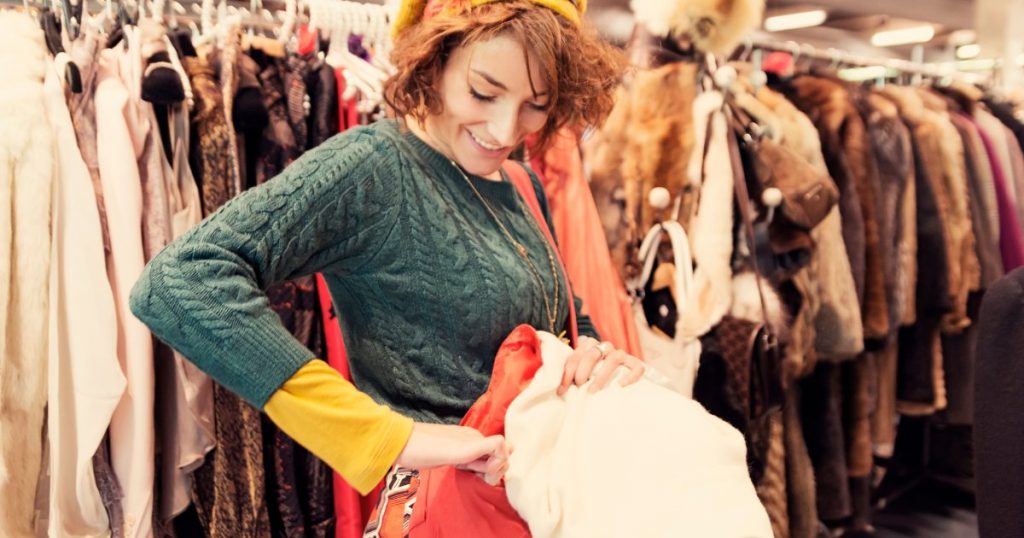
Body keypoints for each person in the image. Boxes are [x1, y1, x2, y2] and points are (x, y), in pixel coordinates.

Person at [129, 0, 635, 528]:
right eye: (484, 92)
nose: (507, 129)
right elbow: (180, 279)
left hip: (542, 504)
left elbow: (562, 311)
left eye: (536, 103)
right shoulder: (374, 169)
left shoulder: (521, 182)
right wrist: (384, 434)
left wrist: (596, 358)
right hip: (443, 514)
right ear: (433, 60)